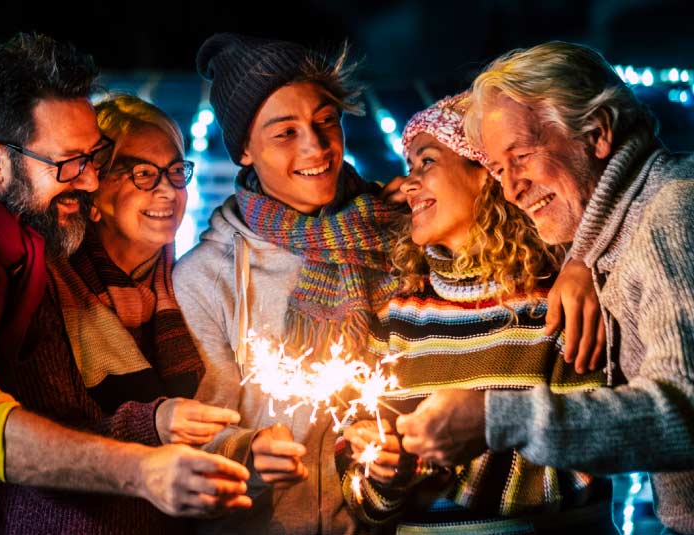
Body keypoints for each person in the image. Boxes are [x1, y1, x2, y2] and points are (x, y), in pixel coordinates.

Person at [0, 34, 249, 535]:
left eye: (94, 158)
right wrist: (140, 469)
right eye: (68, 164)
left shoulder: (14, 229)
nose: (87, 183)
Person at [397, 41, 694, 534]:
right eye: (497, 168)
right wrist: (581, 259)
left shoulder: (671, 213)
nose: (511, 189)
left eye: (523, 156)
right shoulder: (620, 231)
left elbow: (684, 411)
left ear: (597, 134)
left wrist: (499, 419)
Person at [337, 93, 616, 534]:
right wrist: (385, 474)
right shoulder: (397, 312)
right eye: (409, 168)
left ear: (485, 174)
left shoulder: (556, 301)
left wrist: (435, 465)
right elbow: (360, 496)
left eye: (426, 162)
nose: (408, 183)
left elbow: (591, 455)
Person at [0, 93, 246, 534]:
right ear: (93, 191)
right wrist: (154, 424)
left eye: (177, 172)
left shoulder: (184, 283)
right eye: (142, 173)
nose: (168, 190)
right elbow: (39, 441)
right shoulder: (45, 288)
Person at [173, 32, 403, 534]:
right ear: (245, 153)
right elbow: (191, 438)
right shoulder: (206, 278)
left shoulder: (395, 234)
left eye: (325, 121)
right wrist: (248, 455)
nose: (316, 147)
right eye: (284, 133)